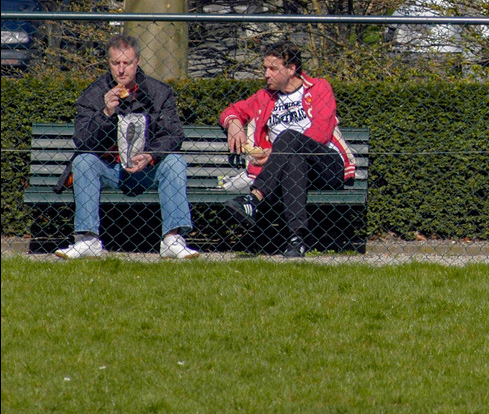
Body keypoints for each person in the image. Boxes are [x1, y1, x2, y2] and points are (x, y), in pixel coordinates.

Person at [56, 35, 199, 259]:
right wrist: (105, 114)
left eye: (127, 63)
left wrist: (150, 155)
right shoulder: (94, 94)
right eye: (116, 63)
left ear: (138, 61)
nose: (121, 70)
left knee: (175, 160)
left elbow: (173, 134)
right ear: (109, 63)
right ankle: (87, 239)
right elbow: (82, 141)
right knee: (83, 161)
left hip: (147, 169)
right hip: (110, 168)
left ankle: (173, 239)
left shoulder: (158, 92)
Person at [220, 43, 355, 258]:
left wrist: (274, 154)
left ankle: (254, 198)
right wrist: (234, 123)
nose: (266, 74)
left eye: (273, 69)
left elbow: (320, 132)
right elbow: (232, 110)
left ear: (291, 69)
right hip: (292, 168)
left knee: (289, 138)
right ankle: (296, 239)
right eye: (265, 68)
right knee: (294, 161)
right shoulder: (265, 97)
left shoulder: (319, 87)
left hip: (326, 164)